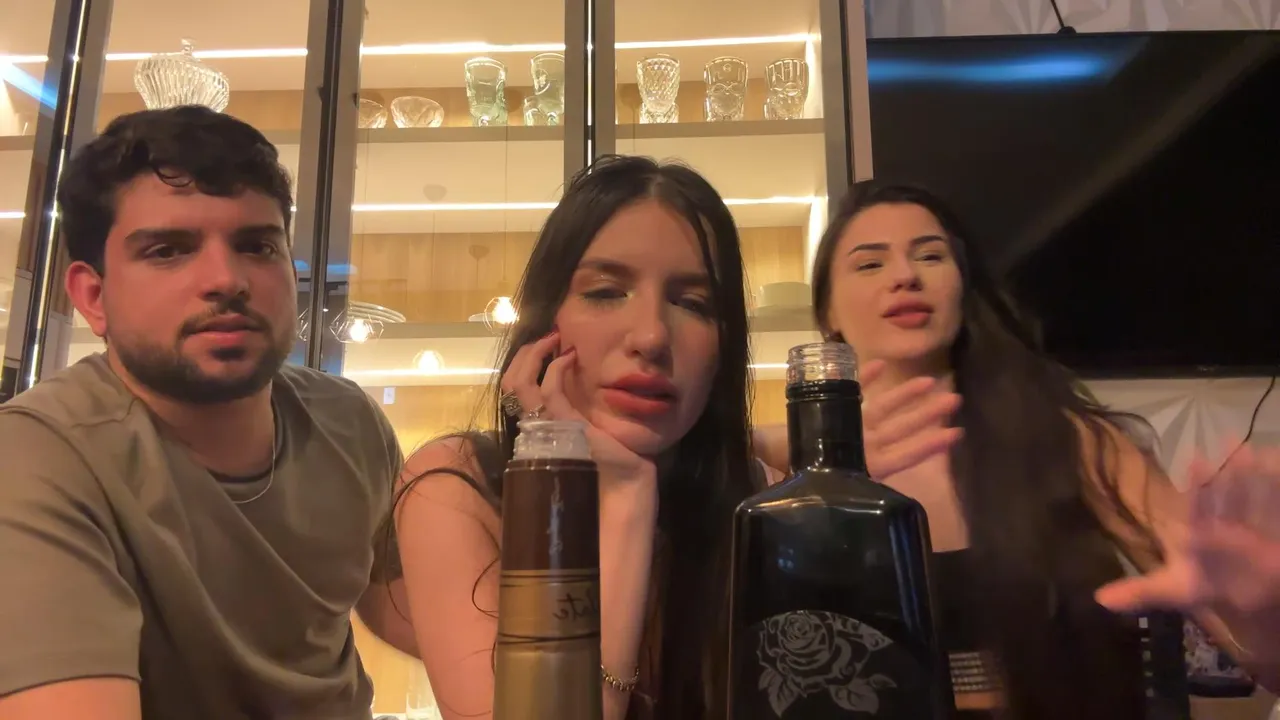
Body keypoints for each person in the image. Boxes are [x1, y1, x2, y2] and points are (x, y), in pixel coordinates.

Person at [755, 180, 1280, 718]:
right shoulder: (779, 474)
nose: (905, 275)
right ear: (827, 313)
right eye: (870, 264)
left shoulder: (1068, 439)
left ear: (964, 288)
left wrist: (1264, 617)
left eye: (930, 256)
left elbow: (1249, 636)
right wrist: (764, 442)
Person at [0, 106, 416, 719]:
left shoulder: (349, 422)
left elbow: (421, 620)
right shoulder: (36, 458)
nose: (226, 279)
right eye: (168, 250)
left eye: (257, 246)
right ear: (93, 296)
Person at [393, 155, 769, 720]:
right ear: (546, 326)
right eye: (606, 292)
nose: (651, 336)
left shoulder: (761, 509)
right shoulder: (457, 486)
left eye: (693, 304)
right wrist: (625, 494)